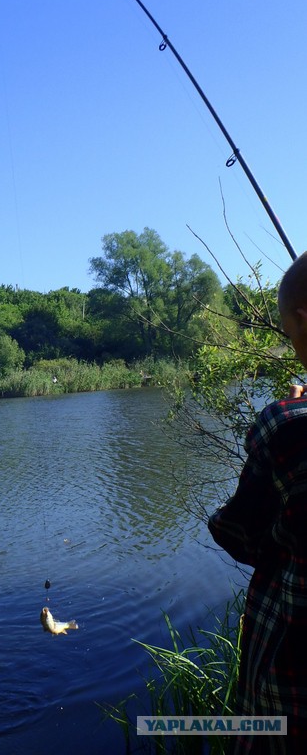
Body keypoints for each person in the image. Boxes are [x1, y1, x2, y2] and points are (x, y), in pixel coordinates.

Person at [208, 251, 307, 754]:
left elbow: (240, 536)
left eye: (291, 336)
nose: (293, 350)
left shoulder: (287, 426)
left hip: (292, 681)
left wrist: (292, 406)